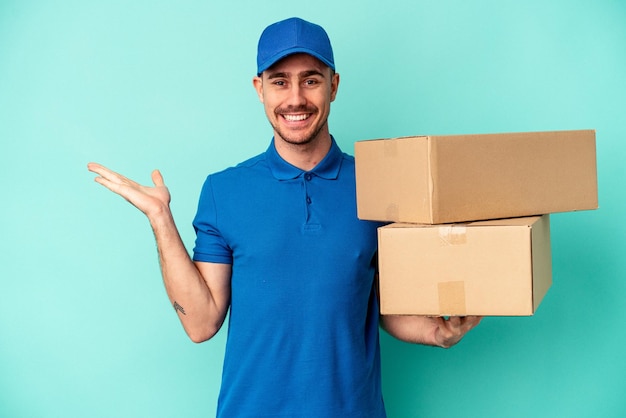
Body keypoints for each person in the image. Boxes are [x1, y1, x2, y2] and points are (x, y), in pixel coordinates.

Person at [88, 17, 481, 417]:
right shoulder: (224, 191)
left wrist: (437, 331)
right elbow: (201, 323)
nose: (295, 98)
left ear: (334, 85)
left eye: (310, 80)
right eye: (279, 81)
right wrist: (160, 219)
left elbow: (382, 304)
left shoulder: (380, 187)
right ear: (260, 89)